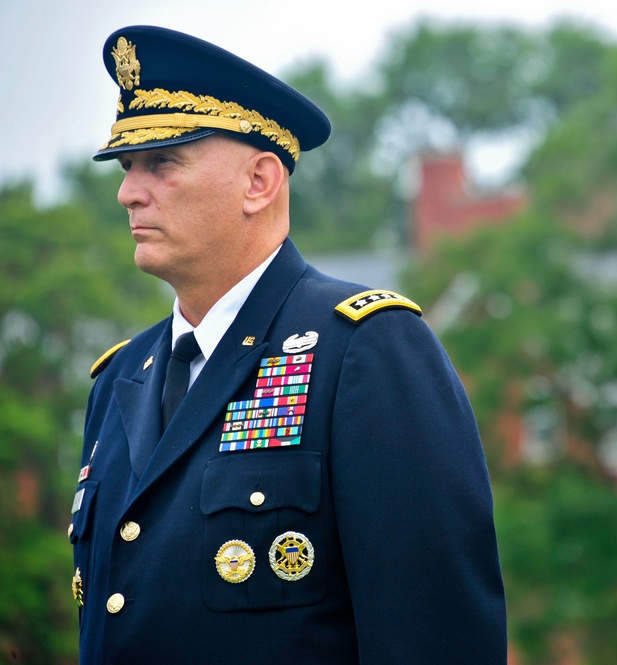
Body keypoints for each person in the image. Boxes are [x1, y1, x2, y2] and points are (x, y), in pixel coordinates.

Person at [69, 25, 506, 664]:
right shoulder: (119, 379)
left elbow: (435, 635)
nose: (128, 192)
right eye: (129, 166)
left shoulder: (363, 348)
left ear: (260, 181)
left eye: (163, 162)